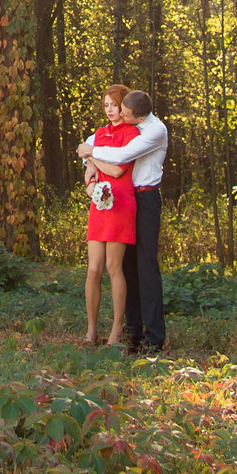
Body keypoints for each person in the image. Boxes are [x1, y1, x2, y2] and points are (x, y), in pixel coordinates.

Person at [81, 89, 166, 354]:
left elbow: (119, 158)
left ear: (139, 117)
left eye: (124, 113)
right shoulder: (130, 125)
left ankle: (154, 338)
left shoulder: (153, 131)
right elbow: (91, 140)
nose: (120, 117)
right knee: (126, 267)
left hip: (145, 199)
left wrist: (91, 154)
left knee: (146, 266)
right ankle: (133, 331)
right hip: (119, 198)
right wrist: (90, 169)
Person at [79, 85, 139, 347]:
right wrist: (90, 182)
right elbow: (89, 164)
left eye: (115, 105)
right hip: (100, 204)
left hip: (121, 203)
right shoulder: (100, 133)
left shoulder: (132, 133)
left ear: (124, 106)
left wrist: (94, 157)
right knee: (93, 269)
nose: (111, 110)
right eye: (107, 105)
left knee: (114, 267)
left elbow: (117, 171)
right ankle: (91, 330)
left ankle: (116, 330)